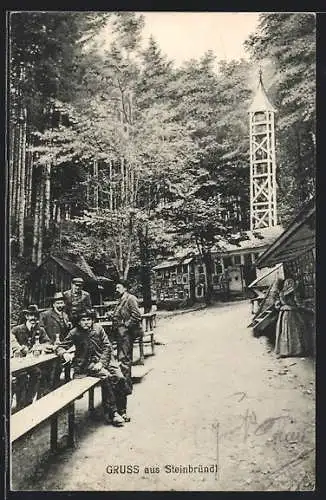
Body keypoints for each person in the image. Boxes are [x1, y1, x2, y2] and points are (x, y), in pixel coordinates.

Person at [55, 309, 129, 427]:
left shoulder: (98, 329)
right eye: (83, 320)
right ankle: (113, 413)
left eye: (88, 320)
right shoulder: (74, 332)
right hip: (86, 364)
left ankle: (122, 410)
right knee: (106, 376)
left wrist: (102, 362)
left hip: (105, 360)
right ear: (78, 322)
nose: (86, 323)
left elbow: (106, 346)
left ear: (93, 320)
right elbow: (60, 347)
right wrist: (64, 353)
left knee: (120, 378)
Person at [112, 280, 143, 422]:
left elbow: (136, 315)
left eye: (118, 287)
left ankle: (125, 386)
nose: (116, 289)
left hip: (126, 335)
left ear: (125, 288)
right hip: (120, 334)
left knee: (124, 361)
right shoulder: (120, 300)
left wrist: (125, 326)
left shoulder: (131, 298)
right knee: (122, 360)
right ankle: (123, 383)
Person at [11, 305, 51, 408]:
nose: (33, 318)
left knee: (37, 373)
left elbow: (47, 342)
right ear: (26, 316)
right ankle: (20, 404)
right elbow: (11, 342)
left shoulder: (40, 330)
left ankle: (28, 401)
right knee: (21, 377)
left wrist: (39, 347)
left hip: (32, 363)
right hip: (18, 363)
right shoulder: (16, 329)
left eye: (36, 315)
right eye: (30, 315)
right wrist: (19, 348)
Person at [39, 291, 73, 388]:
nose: (60, 305)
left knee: (64, 368)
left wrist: (69, 326)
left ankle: (65, 389)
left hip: (63, 346)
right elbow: (40, 330)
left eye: (62, 303)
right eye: (58, 303)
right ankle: (50, 391)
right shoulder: (45, 315)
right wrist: (48, 343)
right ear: (53, 304)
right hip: (50, 347)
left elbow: (68, 333)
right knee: (51, 371)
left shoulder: (66, 315)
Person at [274, 278, 308, 358]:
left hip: (283, 314)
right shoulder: (294, 292)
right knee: (296, 330)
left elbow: (277, 305)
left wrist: (282, 307)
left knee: (284, 332)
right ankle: (297, 351)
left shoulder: (281, 293)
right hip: (293, 313)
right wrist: (304, 306)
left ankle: (285, 351)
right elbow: (298, 303)